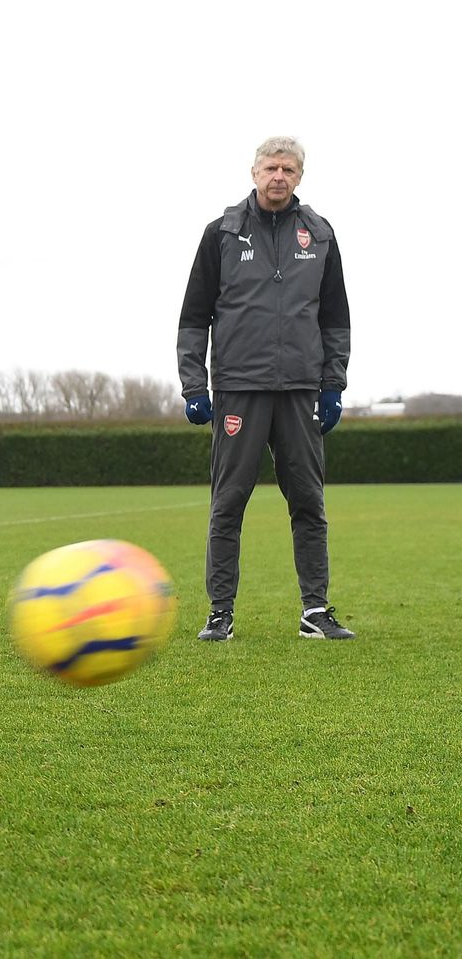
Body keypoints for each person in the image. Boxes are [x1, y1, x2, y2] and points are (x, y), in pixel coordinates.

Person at [176, 136, 353, 644]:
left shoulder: (320, 235)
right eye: (272, 167)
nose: (279, 176)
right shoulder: (222, 233)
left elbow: (335, 318)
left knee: (309, 503)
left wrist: (333, 383)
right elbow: (194, 317)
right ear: (254, 172)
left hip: (300, 389)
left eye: (289, 169)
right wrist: (194, 384)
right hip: (239, 388)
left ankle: (314, 610)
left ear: (300, 177)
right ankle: (220, 613)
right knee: (228, 503)